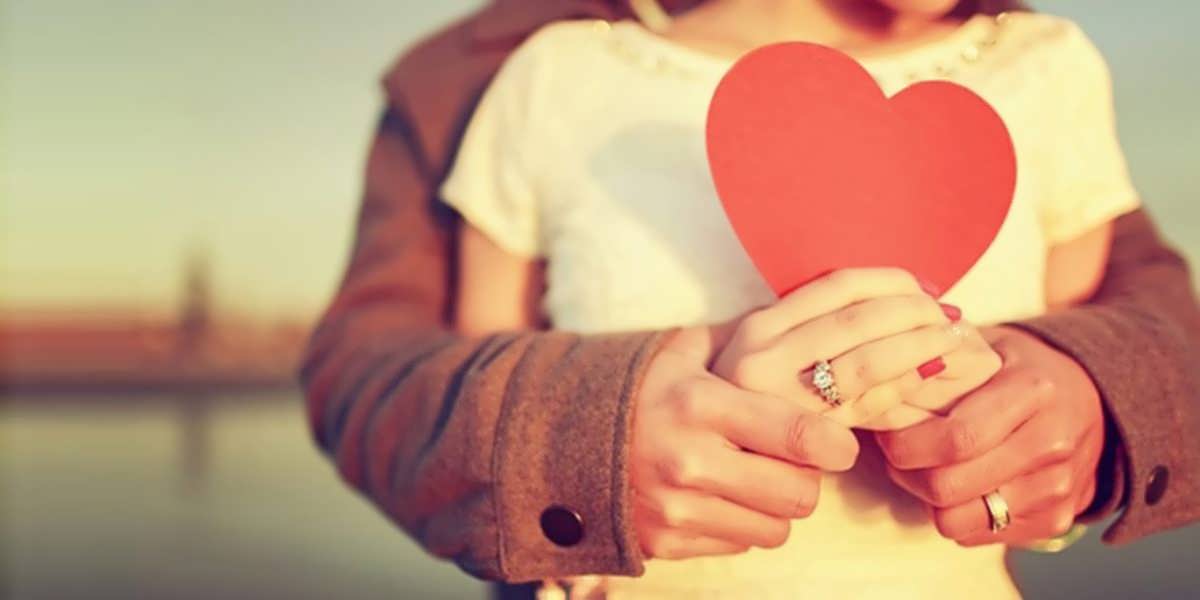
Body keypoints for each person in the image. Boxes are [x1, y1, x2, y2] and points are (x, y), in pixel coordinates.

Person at [302, 0, 1200, 597]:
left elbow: (1102, 355)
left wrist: (1063, 425)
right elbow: (460, 377)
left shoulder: (1048, 69)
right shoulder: (553, 76)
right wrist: (585, 430)